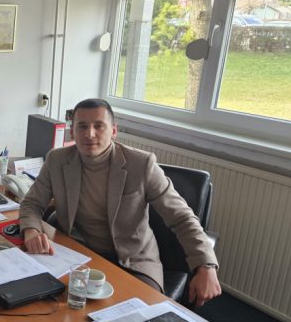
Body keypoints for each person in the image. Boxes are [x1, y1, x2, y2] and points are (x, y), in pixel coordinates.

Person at [19, 98, 221, 307]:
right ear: (72, 132)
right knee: (44, 305)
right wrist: (31, 230)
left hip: (133, 262)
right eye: (82, 126)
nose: (90, 134)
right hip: (78, 254)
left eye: (99, 126)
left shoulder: (141, 165)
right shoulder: (57, 160)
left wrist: (206, 265)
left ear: (113, 131)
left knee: (137, 316)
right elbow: (32, 203)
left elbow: (182, 217)